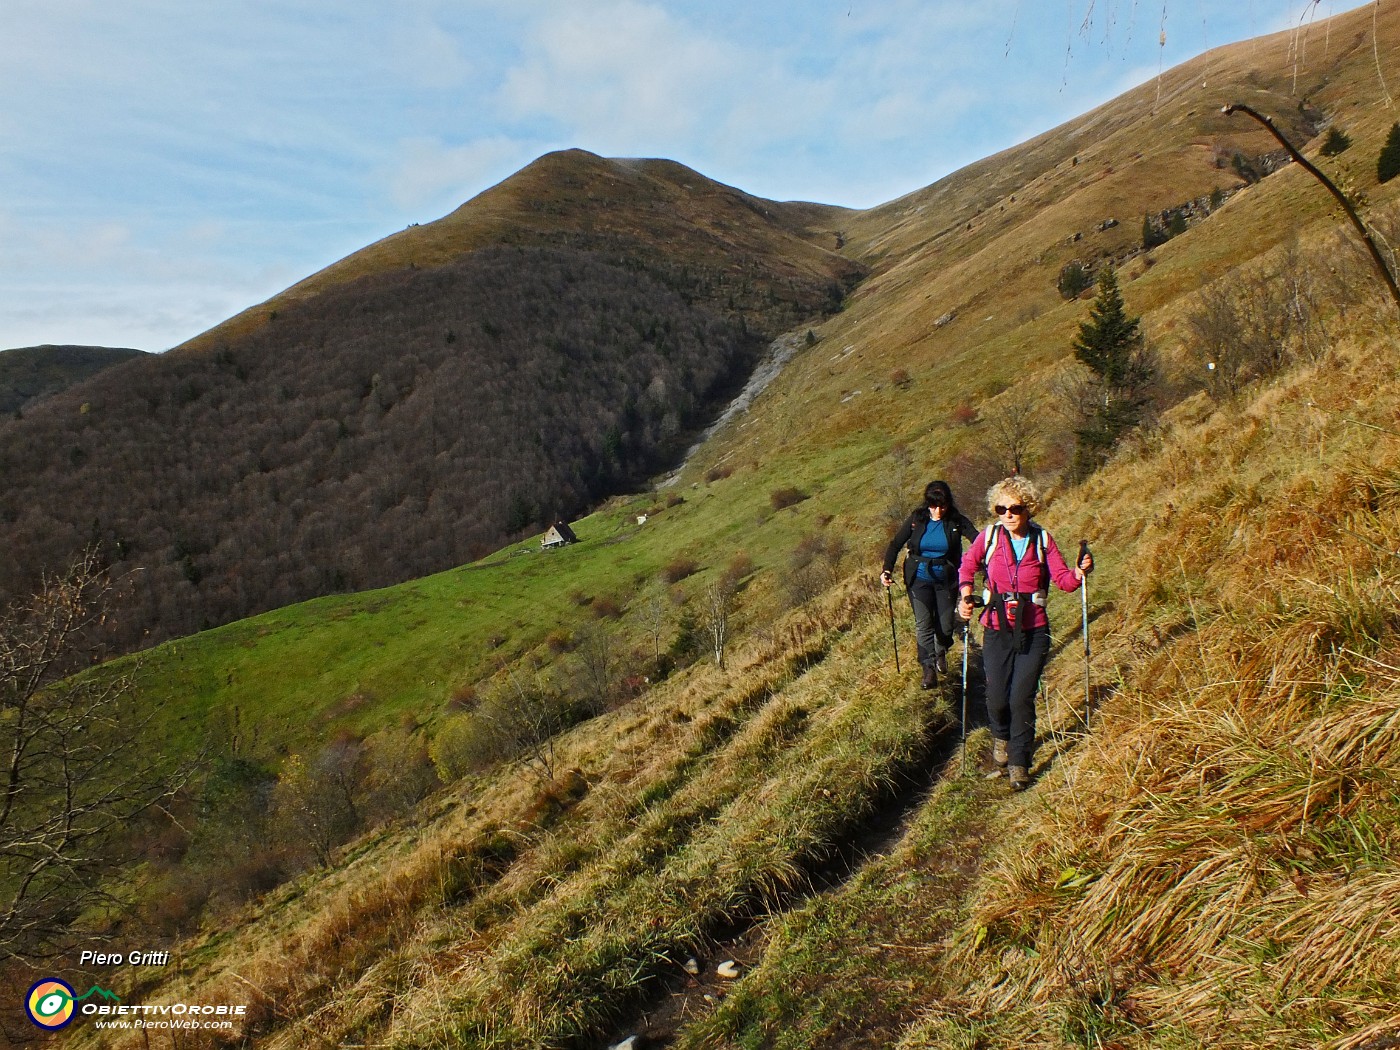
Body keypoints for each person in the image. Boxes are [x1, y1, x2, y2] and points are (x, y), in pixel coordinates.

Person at [957, 476, 1092, 791]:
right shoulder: (989, 538)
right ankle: (1001, 738)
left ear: (1028, 509)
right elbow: (966, 567)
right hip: (995, 628)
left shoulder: (1043, 540)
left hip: (1034, 629)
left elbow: (1063, 580)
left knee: (1021, 697)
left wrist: (1079, 572)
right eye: (1000, 508)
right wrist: (965, 596)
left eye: (1014, 508)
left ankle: (1019, 763)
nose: (1007, 514)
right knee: (996, 698)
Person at [881, 480, 979, 688]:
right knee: (923, 624)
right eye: (933, 506)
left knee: (944, 626)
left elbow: (977, 540)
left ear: (948, 504)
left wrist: (990, 557)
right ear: (928, 503)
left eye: (942, 506)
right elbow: (896, 543)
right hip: (919, 578)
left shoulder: (956, 520)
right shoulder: (918, 518)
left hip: (946, 579)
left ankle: (940, 650)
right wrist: (886, 570)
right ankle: (928, 669)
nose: (937, 511)